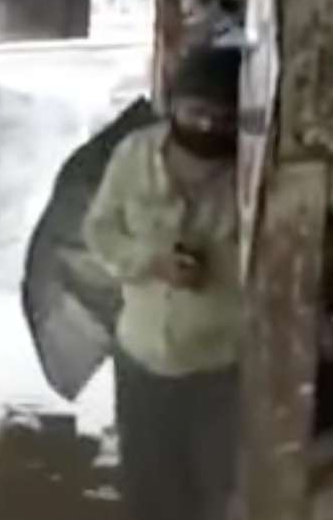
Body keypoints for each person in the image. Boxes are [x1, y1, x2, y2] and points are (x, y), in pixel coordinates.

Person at [83, 45, 243, 520]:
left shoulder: (255, 173)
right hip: (140, 358)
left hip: (223, 367)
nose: (210, 126)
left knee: (214, 487)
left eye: (224, 116)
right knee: (147, 484)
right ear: (173, 105)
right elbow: (100, 229)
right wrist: (148, 261)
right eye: (198, 111)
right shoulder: (134, 154)